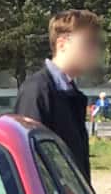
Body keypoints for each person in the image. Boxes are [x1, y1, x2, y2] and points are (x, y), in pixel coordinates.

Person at [15, 10, 103, 180]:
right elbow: (29, 162)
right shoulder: (37, 91)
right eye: (88, 43)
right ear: (62, 44)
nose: (95, 51)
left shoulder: (69, 93)